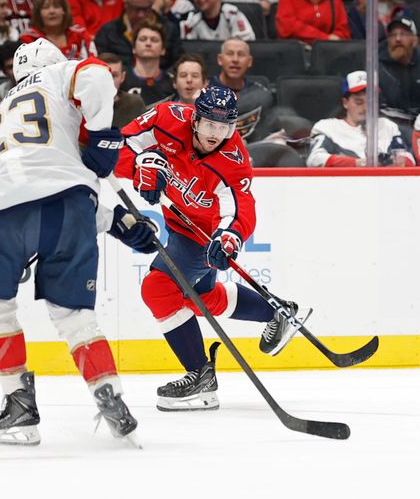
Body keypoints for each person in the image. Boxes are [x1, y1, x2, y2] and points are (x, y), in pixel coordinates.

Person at [0, 38, 156, 445]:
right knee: (73, 314)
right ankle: (109, 393)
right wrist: (105, 138)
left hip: (5, 209)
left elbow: (36, 176)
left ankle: (17, 405)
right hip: (71, 204)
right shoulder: (62, 74)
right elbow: (95, 72)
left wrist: (115, 220)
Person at [115, 85, 307, 411]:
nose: (216, 134)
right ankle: (274, 311)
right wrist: (140, 167)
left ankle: (200, 375)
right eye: (209, 125)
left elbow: (240, 208)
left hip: (204, 235)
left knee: (158, 288)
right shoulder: (165, 119)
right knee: (201, 296)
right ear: (195, 119)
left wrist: (229, 238)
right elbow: (119, 147)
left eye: (224, 127)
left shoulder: (233, 160)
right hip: (177, 223)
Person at [307, 71, 414, 167]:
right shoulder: (328, 127)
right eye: (359, 102)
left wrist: (392, 162)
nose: (366, 108)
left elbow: (409, 159)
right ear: (345, 103)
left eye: (371, 102)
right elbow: (315, 159)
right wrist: (358, 163)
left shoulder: (387, 126)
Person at [95, 0, 184, 71]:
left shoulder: (169, 29)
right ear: (126, 4)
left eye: (146, 9)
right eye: (136, 9)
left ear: (152, 3)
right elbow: (101, 67)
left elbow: (178, 64)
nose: (141, 15)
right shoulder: (108, 32)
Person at [378, 18, 420, 130]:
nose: (398, 39)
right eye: (393, 35)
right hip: (386, 129)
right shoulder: (376, 68)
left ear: (415, 41)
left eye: (404, 34)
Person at [19, 0, 97, 60]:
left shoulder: (80, 35)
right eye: (46, 7)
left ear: (64, 10)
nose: (52, 11)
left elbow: (93, 62)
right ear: (38, 13)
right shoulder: (29, 39)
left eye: (56, 7)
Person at [120, 21, 175, 106]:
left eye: (154, 40)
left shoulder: (173, 83)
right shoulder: (121, 80)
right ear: (133, 48)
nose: (148, 43)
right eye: (143, 39)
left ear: (163, 49)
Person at [98, 52, 147, 128]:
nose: (109, 80)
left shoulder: (135, 103)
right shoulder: (83, 104)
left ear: (123, 77)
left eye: (114, 75)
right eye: (104, 75)